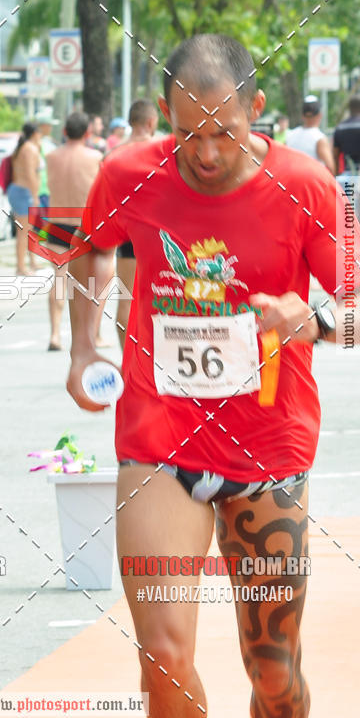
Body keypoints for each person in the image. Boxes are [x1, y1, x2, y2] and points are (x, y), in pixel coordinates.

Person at [66, 35, 359, 718]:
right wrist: (83, 348)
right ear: (163, 115)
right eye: (184, 132)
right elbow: (89, 253)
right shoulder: (126, 172)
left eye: (224, 132)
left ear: (256, 109)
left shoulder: (307, 185)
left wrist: (311, 321)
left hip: (269, 447)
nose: (203, 152)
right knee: (163, 659)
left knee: (275, 674)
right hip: (158, 439)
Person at [43, 111, 103, 351]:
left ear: (65, 131)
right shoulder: (95, 156)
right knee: (90, 283)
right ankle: (90, 336)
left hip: (56, 223)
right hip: (83, 225)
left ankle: (55, 334)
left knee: (59, 279)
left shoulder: (50, 157)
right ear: (88, 133)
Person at [106, 99, 159, 349]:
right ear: (151, 122)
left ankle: (127, 361)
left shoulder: (113, 154)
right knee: (161, 300)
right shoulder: (161, 150)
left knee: (126, 299)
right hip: (158, 233)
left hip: (126, 232)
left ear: (130, 122)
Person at [7, 122, 42, 276]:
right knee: (23, 231)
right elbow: (30, 174)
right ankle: (21, 267)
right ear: (35, 133)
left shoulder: (25, 147)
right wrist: (35, 195)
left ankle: (31, 262)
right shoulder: (29, 149)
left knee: (29, 230)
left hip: (20, 190)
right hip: (23, 191)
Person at [286, 95, 335, 174]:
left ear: (302, 115)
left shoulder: (290, 135)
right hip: (312, 183)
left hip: (291, 182)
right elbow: (330, 167)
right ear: (320, 115)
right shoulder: (319, 138)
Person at [34, 109, 58, 209]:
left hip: (36, 190)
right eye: (50, 125)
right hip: (44, 191)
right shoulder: (47, 145)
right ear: (44, 126)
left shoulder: (31, 143)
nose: (51, 128)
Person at [333, 96, 360, 174]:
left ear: (349, 108)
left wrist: (336, 175)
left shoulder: (340, 128)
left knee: (352, 186)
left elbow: (335, 156)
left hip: (348, 175)